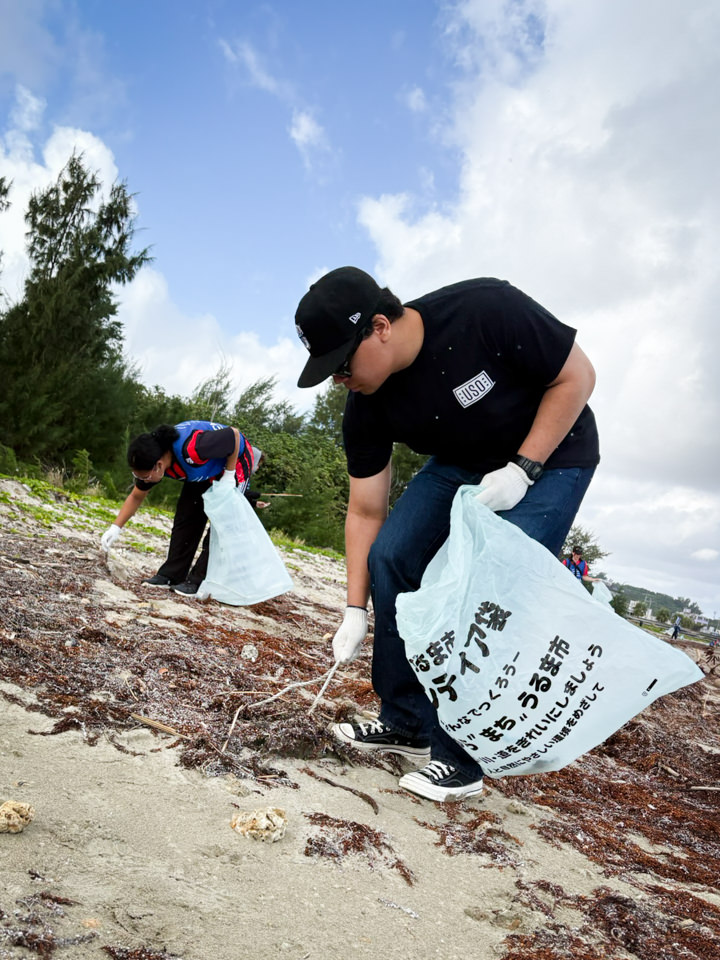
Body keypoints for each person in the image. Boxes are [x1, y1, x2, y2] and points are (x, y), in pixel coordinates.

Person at [294, 267, 600, 802]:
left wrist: (524, 468)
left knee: (489, 579)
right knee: (392, 556)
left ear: (381, 327)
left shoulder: (485, 309)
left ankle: (461, 757)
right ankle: (406, 723)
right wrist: (354, 609)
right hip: (462, 461)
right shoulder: (366, 403)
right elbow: (367, 513)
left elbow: (577, 376)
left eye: (341, 364)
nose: (340, 380)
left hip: (554, 454)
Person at [100, 420, 262, 595]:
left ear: (159, 466)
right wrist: (115, 527)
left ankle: (198, 581)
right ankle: (171, 575)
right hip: (202, 470)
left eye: (145, 476)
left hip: (234, 462)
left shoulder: (193, 449)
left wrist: (230, 475)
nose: (143, 479)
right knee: (186, 518)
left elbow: (233, 435)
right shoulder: (154, 461)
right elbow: (136, 495)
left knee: (221, 527)